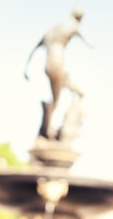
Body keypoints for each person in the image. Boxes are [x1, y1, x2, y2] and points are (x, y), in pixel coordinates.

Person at [23, 8, 93, 139]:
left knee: (59, 93)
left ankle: (46, 128)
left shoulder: (52, 30)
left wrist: (26, 69)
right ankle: (47, 130)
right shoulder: (72, 28)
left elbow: (34, 49)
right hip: (57, 62)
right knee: (56, 99)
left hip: (48, 64)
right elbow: (88, 42)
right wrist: (93, 45)